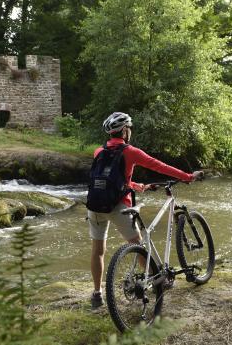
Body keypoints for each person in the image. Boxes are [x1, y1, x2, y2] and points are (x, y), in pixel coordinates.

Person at [87, 112, 203, 309]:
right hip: (118, 206)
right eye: (129, 128)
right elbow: (160, 166)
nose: (129, 131)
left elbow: (110, 179)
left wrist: (136, 185)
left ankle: (97, 294)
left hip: (95, 206)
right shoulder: (130, 151)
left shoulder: (99, 151)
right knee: (139, 246)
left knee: (98, 251)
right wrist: (188, 176)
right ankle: (155, 282)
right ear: (124, 131)